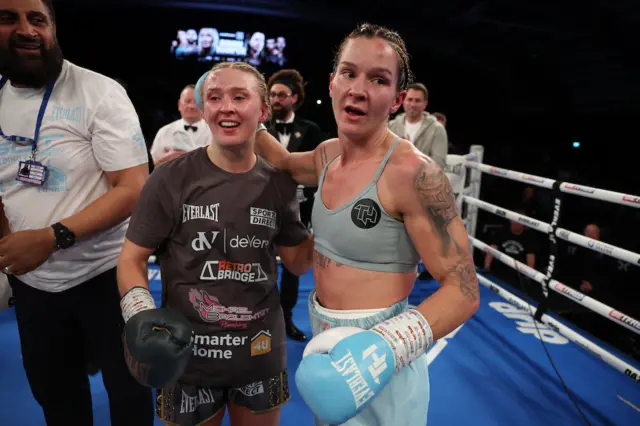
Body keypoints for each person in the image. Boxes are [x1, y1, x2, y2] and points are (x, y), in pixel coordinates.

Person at [254, 23, 480, 426]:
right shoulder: (325, 155)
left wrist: (384, 347)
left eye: (378, 79)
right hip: (323, 345)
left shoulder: (414, 174)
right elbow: (286, 163)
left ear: (395, 100)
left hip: (384, 359)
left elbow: (464, 291)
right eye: (349, 73)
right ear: (332, 83)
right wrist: (241, 112)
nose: (358, 88)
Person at [117, 61, 315, 426]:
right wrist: (142, 316)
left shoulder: (280, 184)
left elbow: (299, 263)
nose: (226, 107)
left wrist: (337, 209)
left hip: (261, 352)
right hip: (186, 356)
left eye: (240, 96)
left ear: (263, 110)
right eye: (215, 97)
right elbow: (132, 258)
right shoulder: (169, 178)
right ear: (204, 108)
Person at [0, 0, 153, 424]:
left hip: (105, 275)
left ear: (53, 28)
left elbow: (134, 187)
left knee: (130, 394)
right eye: (8, 18)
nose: (26, 29)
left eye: (37, 19)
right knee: (57, 398)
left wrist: (52, 237)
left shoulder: (98, 92)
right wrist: (6, 259)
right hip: (32, 286)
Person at [267, 68, 325, 341]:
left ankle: (286, 318)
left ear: (294, 98)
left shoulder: (311, 130)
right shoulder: (259, 130)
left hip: (299, 209)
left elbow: (318, 170)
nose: (275, 100)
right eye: (272, 95)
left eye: (281, 95)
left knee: (292, 268)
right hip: (260, 208)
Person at [387, 82, 448, 169]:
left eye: (417, 100)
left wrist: (412, 153)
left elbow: (439, 164)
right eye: (410, 99)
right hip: (394, 180)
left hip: (422, 182)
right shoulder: (391, 126)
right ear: (403, 101)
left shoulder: (437, 129)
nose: (413, 104)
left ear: (425, 104)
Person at [150, 84, 211, 166]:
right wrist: (167, 158)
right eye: (187, 101)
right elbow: (153, 164)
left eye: (196, 102)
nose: (191, 106)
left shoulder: (214, 131)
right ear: (179, 104)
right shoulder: (164, 131)